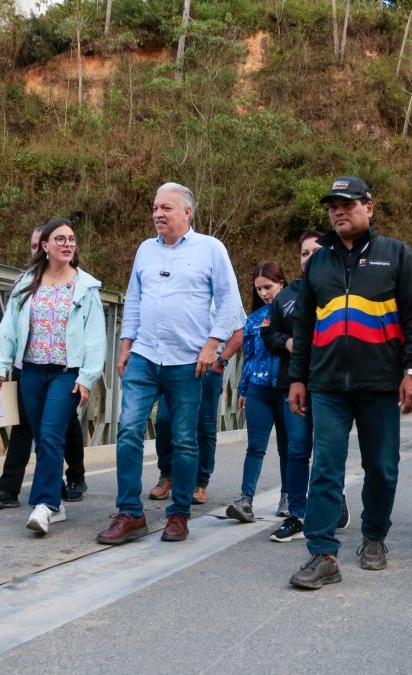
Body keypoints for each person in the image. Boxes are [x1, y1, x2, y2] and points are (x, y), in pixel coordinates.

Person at [287, 176, 412, 589]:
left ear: (369, 206)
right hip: (327, 385)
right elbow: (304, 323)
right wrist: (298, 376)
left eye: (347, 204)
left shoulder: (396, 255)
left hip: (380, 384)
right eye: (333, 205)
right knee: (326, 468)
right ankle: (322, 552)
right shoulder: (319, 262)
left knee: (382, 468)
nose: (338, 212)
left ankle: (373, 537)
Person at [97, 182, 244, 545]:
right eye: (154, 207)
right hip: (145, 355)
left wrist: (213, 344)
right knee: (129, 430)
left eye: (165, 208)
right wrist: (125, 343)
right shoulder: (146, 250)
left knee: (183, 439)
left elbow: (229, 302)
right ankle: (130, 513)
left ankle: (179, 514)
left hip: (188, 360)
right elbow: (133, 298)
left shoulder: (211, 249)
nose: (157, 214)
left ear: (187, 212)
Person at [0, 219, 107, 534]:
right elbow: (9, 328)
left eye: (71, 239)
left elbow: (96, 338)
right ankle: (56, 498)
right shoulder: (29, 282)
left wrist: (88, 377)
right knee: (42, 439)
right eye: (60, 239)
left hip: (67, 373)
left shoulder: (85, 288)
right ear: (45, 246)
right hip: (31, 371)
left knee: (52, 434)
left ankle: (44, 506)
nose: (68, 244)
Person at [263, 230, 348, 543]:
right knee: (297, 450)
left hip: (333, 384)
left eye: (316, 252)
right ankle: (297, 515)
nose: (309, 258)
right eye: (304, 253)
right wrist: (284, 341)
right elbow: (267, 334)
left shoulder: (344, 289)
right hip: (295, 383)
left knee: (329, 451)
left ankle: (333, 503)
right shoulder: (286, 296)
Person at [148, 324, 243, 506]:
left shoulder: (225, 295)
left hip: (209, 368)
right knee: (164, 421)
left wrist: (221, 361)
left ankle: (200, 482)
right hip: (174, 365)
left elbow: (239, 332)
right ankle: (167, 475)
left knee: (204, 426)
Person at [225, 261, 289, 523]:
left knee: (289, 448)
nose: (264, 293)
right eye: (259, 288)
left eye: (268, 287)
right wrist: (243, 389)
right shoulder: (252, 320)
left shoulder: (296, 314)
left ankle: (289, 497)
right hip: (258, 391)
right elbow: (248, 359)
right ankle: (245, 500)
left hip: (287, 391)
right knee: (255, 447)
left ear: (282, 284)